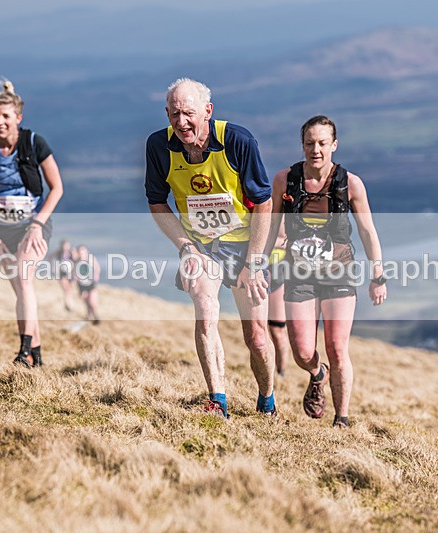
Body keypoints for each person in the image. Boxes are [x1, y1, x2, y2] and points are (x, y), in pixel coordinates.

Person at [145, 77, 276, 418]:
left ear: (208, 110)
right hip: (202, 246)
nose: (181, 122)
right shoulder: (159, 146)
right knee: (206, 314)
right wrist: (186, 247)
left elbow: (264, 203)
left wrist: (255, 262)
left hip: (247, 244)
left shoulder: (237, 141)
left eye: (188, 113)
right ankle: (217, 400)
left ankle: (267, 399)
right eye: (174, 114)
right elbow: (157, 203)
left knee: (258, 338)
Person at [265, 115, 387, 428]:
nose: (315, 149)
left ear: (334, 145)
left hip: (339, 275)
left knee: (336, 347)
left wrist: (378, 276)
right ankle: (318, 375)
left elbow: (368, 232)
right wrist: (259, 264)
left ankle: (341, 419)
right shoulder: (285, 180)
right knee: (303, 352)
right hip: (299, 276)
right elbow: (271, 228)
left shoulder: (350, 184)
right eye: (309, 143)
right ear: (302, 145)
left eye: (322, 143)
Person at [0, 79, 64, 368]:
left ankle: (23, 352)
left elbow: (57, 188)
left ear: (18, 118)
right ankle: (38, 358)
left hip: (34, 225)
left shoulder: (35, 143)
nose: (0, 121)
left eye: (6, 116)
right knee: (23, 291)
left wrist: (36, 225)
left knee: (23, 279)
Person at [267, 221, 291, 377]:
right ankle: (264, 374)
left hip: (279, 268)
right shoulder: (254, 199)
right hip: (254, 266)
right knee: (256, 329)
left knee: (277, 330)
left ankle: (281, 373)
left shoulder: (288, 205)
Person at [74, 244, 101, 324]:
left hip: (91, 283)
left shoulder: (91, 259)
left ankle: (96, 316)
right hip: (81, 284)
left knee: (92, 301)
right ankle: (88, 314)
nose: (82, 254)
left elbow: (97, 267)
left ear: (86, 252)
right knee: (85, 300)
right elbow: (73, 272)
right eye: (80, 252)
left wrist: (96, 275)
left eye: (83, 252)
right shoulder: (76, 261)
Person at [49, 239, 77, 311]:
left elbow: (76, 260)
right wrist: (52, 266)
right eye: (65, 245)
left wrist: (73, 253)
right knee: (66, 288)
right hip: (61, 272)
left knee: (69, 289)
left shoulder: (71, 253)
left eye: (67, 245)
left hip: (70, 272)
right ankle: (68, 304)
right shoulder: (58, 253)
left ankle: (69, 304)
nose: (66, 247)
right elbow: (50, 257)